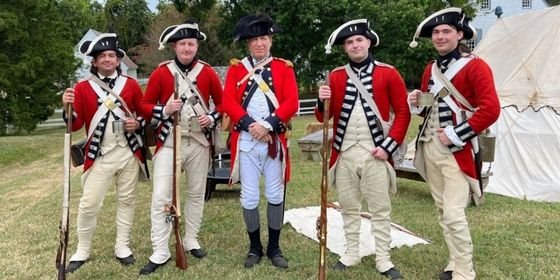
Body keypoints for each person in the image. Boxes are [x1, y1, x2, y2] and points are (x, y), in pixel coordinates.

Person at [408, 7, 500, 280]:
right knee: (441, 210)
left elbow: (490, 109)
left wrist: (457, 133)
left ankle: (464, 271)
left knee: (453, 212)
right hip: (430, 146)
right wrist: (417, 101)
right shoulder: (431, 69)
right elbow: (429, 107)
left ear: (460, 34)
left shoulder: (476, 66)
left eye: (446, 31)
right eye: (436, 32)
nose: (440, 36)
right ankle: (454, 261)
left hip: (457, 150)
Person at [316, 19, 410, 279]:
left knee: (380, 208)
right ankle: (351, 253)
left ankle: (383, 258)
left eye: (359, 40)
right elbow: (326, 115)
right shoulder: (335, 75)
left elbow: (403, 113)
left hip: (375, 152)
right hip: (344, 152)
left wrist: (388, 147)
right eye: (349, 42)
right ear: (345, 48)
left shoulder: (388, 72)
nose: (355, 45)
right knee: (348, 206)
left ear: (369, 42)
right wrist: (321, 99)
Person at [137, 20, 223, 275]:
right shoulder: (162, 72)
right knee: (162, 196)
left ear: (197, 46)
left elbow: (222, 103)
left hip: (198, 141)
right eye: (183, 44)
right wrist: (164, 110)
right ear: (174, 46)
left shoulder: (207, 72)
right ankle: (161, 249)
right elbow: (144, 105)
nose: (187, 48)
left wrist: (213, 118)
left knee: (196, 193)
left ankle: (191, 239)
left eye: (191, 43)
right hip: (168, 142)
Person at [61, 33, 148, 273]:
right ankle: (83, 250)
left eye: (112, 55)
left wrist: (138, 124)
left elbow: (142, 113)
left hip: (128, 152)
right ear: (95, 62)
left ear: (118, 60)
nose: (108, 60)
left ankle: (123, 247)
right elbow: (75, 124)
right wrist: (67, 107)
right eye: (103, 56)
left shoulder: (129, 85)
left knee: (127, 200)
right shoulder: (82, 87)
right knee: (89, 204)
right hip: (99, 155)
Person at [222, 14, 299, 269]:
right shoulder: (236, 69)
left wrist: (266, 125)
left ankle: (274, 247)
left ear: (270, 41)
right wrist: (250, 126)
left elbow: (291, 102)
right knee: (250, 196)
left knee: (275, 194)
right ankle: (255, 247)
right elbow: (228, 102)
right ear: (248, 44)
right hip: (246, 141)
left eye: (263, 38)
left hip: (272, 140)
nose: (259, 43)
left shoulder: (283, 67)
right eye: (254, 39)